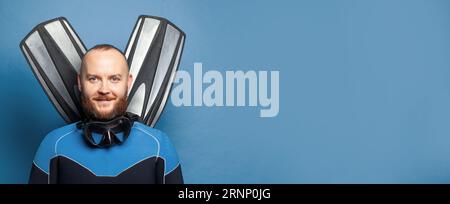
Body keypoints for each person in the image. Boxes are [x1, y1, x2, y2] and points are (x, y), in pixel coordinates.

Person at [28, 44, 183, 184]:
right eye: (93, 79)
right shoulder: (54, 145)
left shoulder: (159, 146)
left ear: (128, 83)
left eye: (114, 79)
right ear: (80, 83)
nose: (104, 89)